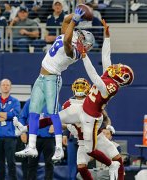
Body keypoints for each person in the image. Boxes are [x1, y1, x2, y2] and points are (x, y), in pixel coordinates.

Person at [15, 7, 95, 161]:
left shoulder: (75, 53)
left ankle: (59, 148)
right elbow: (65, 20)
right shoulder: (71, 36)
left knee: (53, 112)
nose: (86, 47)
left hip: (53, 78)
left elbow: (66, 40)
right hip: (41, 76)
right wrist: (77, 15)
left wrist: (75, 21)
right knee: (34, 111)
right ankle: (31, 147)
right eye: (86, 44)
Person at [58, 19, 133, 180]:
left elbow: (94, 77)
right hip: (82, 138)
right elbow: (106, 57)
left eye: (120, 69)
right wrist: (107, 37)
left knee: (117, 159)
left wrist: (84, 56)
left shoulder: (111, 86)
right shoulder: (70, 103)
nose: (117, 67)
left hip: (94, 131)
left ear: (122, 77)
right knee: (81, 167)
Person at [15, 99, 56, 180]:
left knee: (49, 163)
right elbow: (22, 117)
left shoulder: (53, 101)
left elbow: (61, 116)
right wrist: (22, 132)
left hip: (49, 136)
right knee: (31, 164)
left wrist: (55, 125)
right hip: (33, 136)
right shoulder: (30, 102)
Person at [0, 79, 20, 180]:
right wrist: (6, 115)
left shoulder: (15, 101)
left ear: (10, 87)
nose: (5, 86)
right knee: (0, 163)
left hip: (10, 137)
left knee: (11, 162)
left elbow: (15, 115)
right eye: (3, 85)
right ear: (0, 87)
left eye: (7, 85)